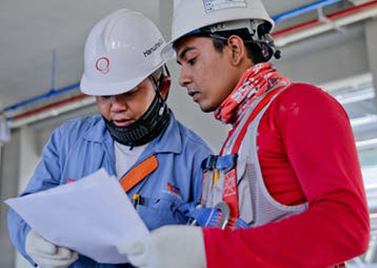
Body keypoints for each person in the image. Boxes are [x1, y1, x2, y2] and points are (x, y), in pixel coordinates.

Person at [117, 0, 370, 267]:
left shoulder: (299, 105)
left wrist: (209, 250)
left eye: (191, 60)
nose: (183, 78)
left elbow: (346, 228)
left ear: (235, 49)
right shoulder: (239, 135)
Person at [7, 9, 214, 268]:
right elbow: (25, 208)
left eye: (128, 93)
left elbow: (212, 247)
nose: (115, 107)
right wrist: (29, 239)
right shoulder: (67, 141)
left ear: (162, 87)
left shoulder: (199, 162)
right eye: (104, 96)